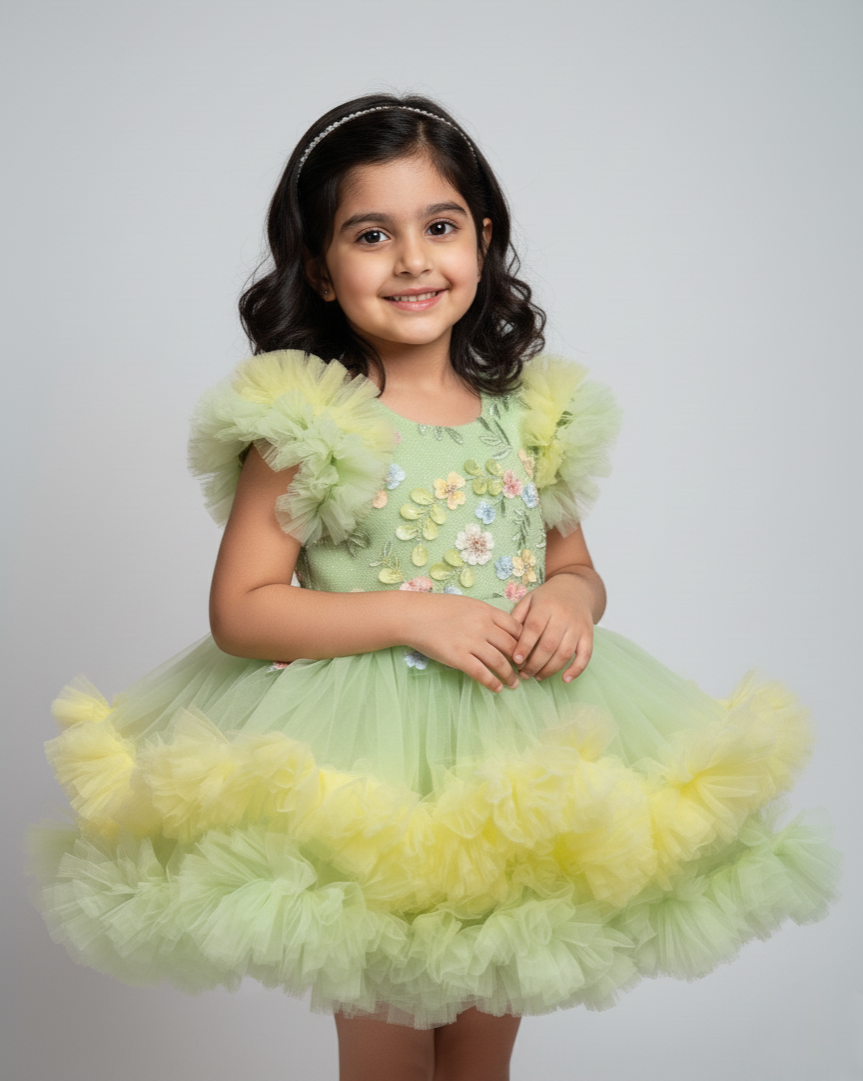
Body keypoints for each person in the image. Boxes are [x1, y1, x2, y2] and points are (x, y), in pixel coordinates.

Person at [35, 94, 840, 1081]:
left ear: (482, 238)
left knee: (479, 1046)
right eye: (371, 234)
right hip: (366, 774)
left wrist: (568, 601)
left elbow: (573, 566)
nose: (412, 259)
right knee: (386, 1049)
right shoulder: (309, 423)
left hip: (515, 761)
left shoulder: (528, 416)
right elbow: (242, 610)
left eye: (440, 226)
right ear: (320, 268)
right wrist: (416, 613)